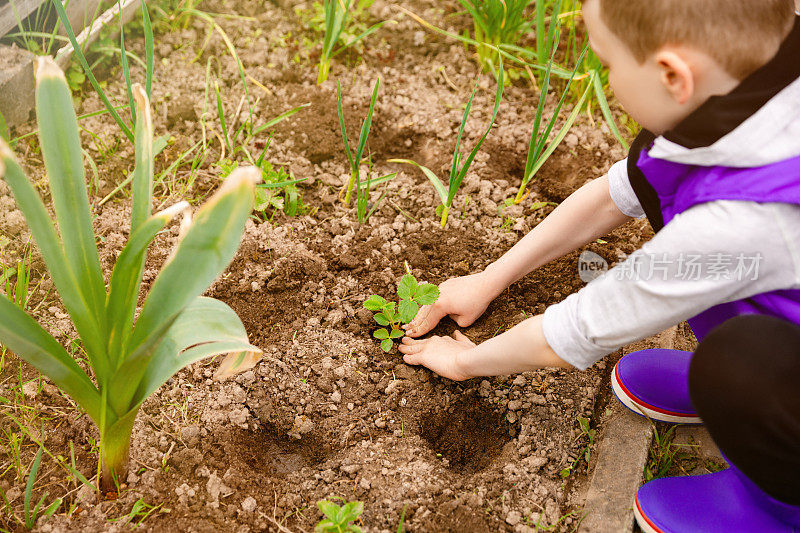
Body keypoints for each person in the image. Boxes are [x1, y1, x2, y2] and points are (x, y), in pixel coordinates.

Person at [399, 0, 800, 530]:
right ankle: (740, 391)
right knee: (734, 339)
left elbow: (574, 331)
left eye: (606, 62)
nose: (605, 78)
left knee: (740, 360)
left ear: (673, 75)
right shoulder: (752, 90)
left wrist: (463, 362)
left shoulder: (746, 218)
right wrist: (488, 279)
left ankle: (777, 504)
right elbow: (617, 193)